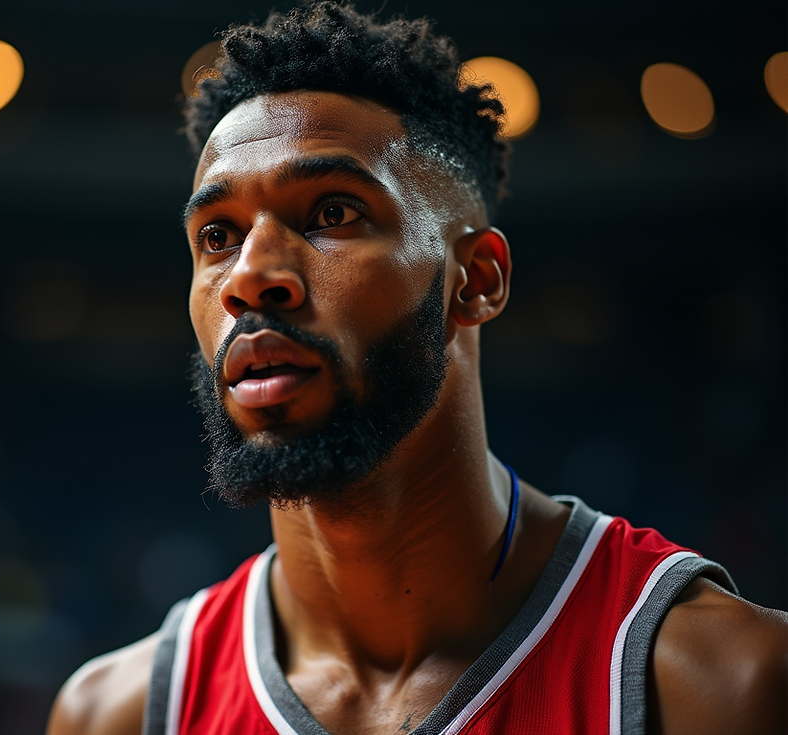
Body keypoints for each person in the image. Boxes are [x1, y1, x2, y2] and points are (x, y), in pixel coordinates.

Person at [47, 3, 788, 733]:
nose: (251, 274)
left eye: (333, 213)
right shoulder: (117, 712)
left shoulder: (720, 681)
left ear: (477, 279)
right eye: (217, 234)